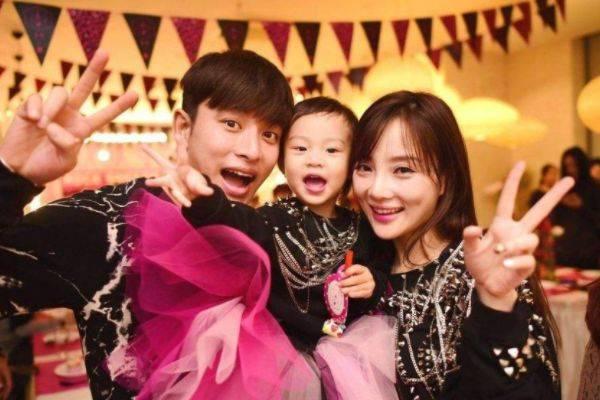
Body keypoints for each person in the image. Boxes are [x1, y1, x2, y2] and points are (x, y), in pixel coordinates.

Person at [0, 49, 294, 398]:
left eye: (270, 135)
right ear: (183, 128)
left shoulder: (277, 235)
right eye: (232, 124)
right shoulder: (109, 219)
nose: (252, 151)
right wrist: (10, 177)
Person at [125, 97, 395, 398]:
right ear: (282, 161)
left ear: (353, 163)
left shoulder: (363, 226)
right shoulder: (270, 220)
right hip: (282, 360)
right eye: (300, 148)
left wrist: (372, 283)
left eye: (331, 150)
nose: (314, 160)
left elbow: (384, 270)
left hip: (350, 354)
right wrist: (203, 197)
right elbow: (232, 219)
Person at [350, 91, 572, 399]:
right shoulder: (357, 265)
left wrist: (496, 303)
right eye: (364, 167)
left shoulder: (480, 271)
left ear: (444, 178)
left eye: (403, 170)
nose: (377, 189)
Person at [551, 147, 600, 268]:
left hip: (588, 248)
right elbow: (556, 219)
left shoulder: (594, 188)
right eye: (567, 166)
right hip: (564, 246)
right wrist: (558, 202)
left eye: (574, 165)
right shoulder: (562, 188)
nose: (570, 170)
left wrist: (581, 206)